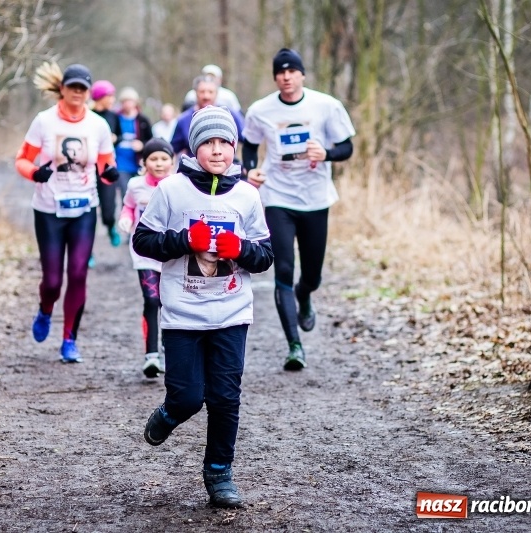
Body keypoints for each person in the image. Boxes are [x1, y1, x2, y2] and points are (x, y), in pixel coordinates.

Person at [133, 106, 273, 508]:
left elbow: (264, 256)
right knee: (188, 397)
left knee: (226, 397)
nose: (217, 151)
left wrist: (241, 249)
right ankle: (169, 414)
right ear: (195, 147)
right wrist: (182, 240)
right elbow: (143, 241)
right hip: (182, 314)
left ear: (234, 147)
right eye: (208, 143)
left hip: (231, 313)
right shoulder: (172, 190)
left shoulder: (247, 195)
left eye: (224, 143)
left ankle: (219, 473)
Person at [241, 48, 355, 371]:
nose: (286, 77)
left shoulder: (326, 106)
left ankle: (305, 296)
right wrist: (250, 169)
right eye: (280, 72)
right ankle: (294, 346)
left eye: (292, 71)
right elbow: (249, 143)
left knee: (312, 275)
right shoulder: (260, 110)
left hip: (316, 198)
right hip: (277, 197)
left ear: (302, 74)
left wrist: (327, 152)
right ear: (275, 77)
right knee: (284, 270)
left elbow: (347, 146)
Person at [14, 62, 119, 363]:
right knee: (51, 282)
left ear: (88, 92)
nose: (77, 92)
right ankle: (46, 309)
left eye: (82, 88)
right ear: (62, 88)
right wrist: (35, 173)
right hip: (48, 210)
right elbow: (22, 160)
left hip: (84, 208)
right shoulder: (44, 122)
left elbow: (105, 167)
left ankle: (69, 340)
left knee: (78, 273)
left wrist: (110, 174)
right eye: (72, 87)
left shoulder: (98, 125)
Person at [116, 138, 175, 378]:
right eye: (154, 159)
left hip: (172, 253)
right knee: (151, 300)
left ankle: (168, 346)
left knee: (170, 303)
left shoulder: (178, 185)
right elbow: (128, 206)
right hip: (144, 253)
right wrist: (127, 219)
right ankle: (151, 355)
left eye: (164, 159)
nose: (159, 164)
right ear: (145, 162)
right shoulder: (135, 185)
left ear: (172, 162)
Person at [171, 76, 244, 157]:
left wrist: (246, 166)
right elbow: (172, 150)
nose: (206, 96)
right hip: (195, 168)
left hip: (226, 166)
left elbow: (247, 141)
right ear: (195, 93)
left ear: (216, 93)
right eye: (202, 92)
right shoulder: (183, 120)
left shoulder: (230, 115)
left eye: (210, 92)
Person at [90, 80, 123, 248]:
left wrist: (115, 139)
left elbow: (120, 135)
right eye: (109, 95)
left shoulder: (114, 116)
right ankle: (87, 251)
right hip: (88, 168)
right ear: (99, 97)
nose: (112, 99)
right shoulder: (88, 115)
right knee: (88, 213)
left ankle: (110, 227)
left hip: (107, 168)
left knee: (108, 209)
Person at [115, 87, 153, 199]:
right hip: (121, 163)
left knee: (139, 194)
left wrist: (142, 145)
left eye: (130, 101)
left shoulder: (142, 120)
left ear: (135, 102)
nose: (128, 104)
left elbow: (151, 141)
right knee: (125, 194)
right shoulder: (116, 118)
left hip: (138, 163)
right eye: (125, 101)